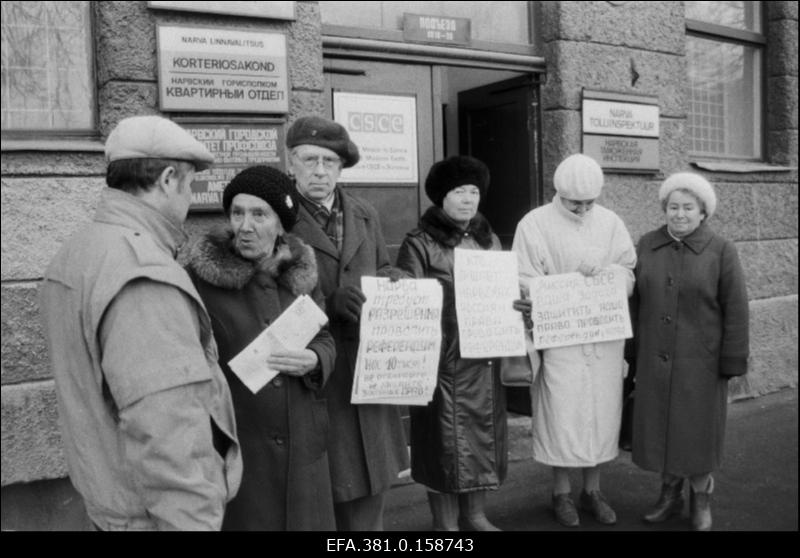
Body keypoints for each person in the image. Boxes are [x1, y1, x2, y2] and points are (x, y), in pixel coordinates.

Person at [39, 115, 242, 531]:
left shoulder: (79, 251)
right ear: (168, 179)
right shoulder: (143, 274)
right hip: (149, 518)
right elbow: (168, 434)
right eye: (190, 184)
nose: (189, 197)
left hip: (111, 504)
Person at [186, 165, 337, 530]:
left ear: (280, 223)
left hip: (302, 442)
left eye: (259, 214)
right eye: (237, 213)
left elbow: (324, 337)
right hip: (242, 442)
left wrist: (315, 359)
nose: (245, 225)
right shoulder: (199, 281)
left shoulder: (302, 272)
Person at [287, 115, 409, 531]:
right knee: (328, 490)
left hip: (370, 371)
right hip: (319, 375)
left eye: (329, 162)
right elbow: (267, 302)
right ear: (291, 162)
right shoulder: (278, 217)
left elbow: (384, 265)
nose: (320, 171)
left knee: (372, 486)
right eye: (309, 160)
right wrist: (326, 304)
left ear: (341, 168)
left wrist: (397, 282)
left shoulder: (364, 213)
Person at [511, 153, 636, 527]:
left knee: (599, 412)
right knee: (562, 414)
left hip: (602, 337)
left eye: (589, 203)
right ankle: (561, 492)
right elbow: (521, 275)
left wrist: (607, 274)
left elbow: (628, 272)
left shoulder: (611, 222)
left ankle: (593, 489)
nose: (582, 209)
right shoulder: (534, 224)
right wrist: (558, 286)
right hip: (561, 338)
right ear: (558, 194)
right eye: (574, 203)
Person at [630, 173, 749, 531]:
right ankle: (669, 495)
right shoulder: (647, 244)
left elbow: (736, 308)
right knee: (663, 430)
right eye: (673, 207)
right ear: (664, 209)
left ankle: (701, 497)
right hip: (654, 357)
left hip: (702, 362)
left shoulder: (721, 250)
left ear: (703, 213)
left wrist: (732, 360)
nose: (679, 214)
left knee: (696, 434)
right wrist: (631, 353)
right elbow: (634, 302)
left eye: (688, 208)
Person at [396, 156, 508, 532]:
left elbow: (501, 293)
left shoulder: (488, 240)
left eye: (474, 191)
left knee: (480, 438)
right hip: (441, 361)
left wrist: (516, 306)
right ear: (442, 197)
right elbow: (409, 302)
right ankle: (445, 524)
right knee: (442, 445)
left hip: (483, 358)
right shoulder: (419, 244)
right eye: (459, 191)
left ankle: (474, 515)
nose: (468, 199)